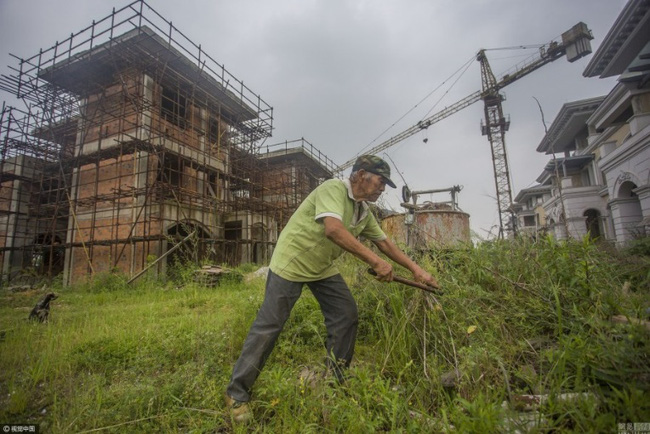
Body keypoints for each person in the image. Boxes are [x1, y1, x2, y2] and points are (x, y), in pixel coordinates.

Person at [225, 155, 438, 422]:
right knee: (270, 325)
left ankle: (334, 385)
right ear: (361, 174)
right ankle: (237, 393)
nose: (383, 188)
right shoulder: (333, 189)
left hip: (321, 267)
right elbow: (333, 230)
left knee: (345, 315)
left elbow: (385, 244)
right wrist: (375, 262)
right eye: (381, 181)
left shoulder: (362, 211)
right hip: (293, 261)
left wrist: (418, 271)